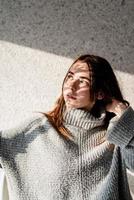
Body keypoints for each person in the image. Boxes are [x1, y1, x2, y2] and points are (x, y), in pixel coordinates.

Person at [0, 54, 134, 200]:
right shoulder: (40, 126)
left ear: (100, 93)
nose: (71, 85)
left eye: (82, 81)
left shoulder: (116, 136)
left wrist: (122, 111)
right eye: (70, 77)